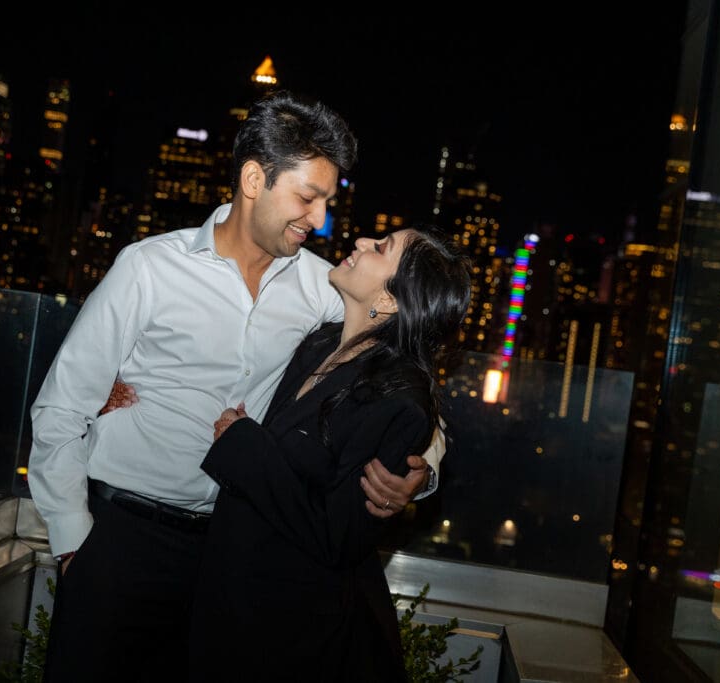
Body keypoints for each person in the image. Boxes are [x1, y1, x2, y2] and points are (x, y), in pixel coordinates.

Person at [27, 90, 442, 682]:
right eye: (308, 197)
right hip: (121, 542)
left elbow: (398, 377)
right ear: (254, 180)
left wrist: (420, 469)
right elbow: (63, 406)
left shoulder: (325, 289)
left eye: (327, 201)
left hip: (230, 559)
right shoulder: (149, 268)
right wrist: (75, 545)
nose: (320, 219)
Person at [187, 226, 471, 682]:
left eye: (381, 248)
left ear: (391, 299)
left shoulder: (400, 401)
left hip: (287, 632)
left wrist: (242, 444)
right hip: (231, 599)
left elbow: (337, 536)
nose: (360, 243)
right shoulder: (321, 341)